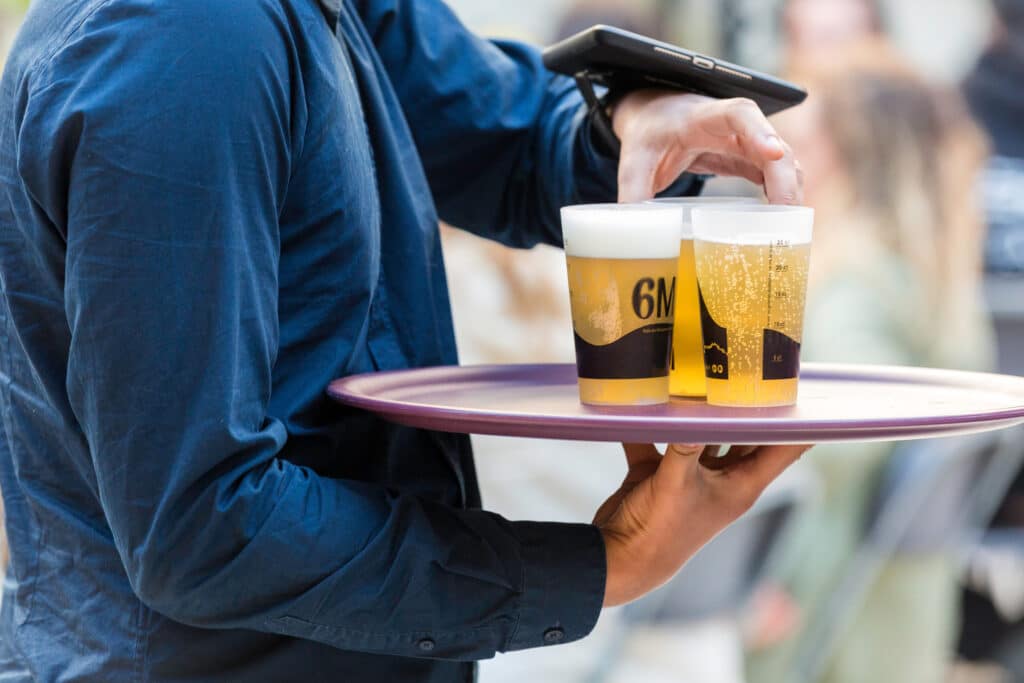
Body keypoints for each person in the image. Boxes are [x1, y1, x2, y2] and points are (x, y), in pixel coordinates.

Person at [0, 0, 806, 681]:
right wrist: (602, 564)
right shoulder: (186, 39)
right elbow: (202, 527)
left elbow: (493, 128)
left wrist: (629, 119)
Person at [747, 40, 993, 683]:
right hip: (899, 611)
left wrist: (760, 580)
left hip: (815, 617)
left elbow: (833, 454)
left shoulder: (853, 286)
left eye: (800, 142)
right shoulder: (935, 279)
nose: (779, 159)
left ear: (852, 154)